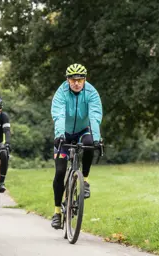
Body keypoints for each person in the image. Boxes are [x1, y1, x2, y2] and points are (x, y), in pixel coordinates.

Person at [50, 63, 103, 229]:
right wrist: (59, 136)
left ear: (85, 79)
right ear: (67, 80)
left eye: (80, 80)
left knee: (89, 144)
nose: (77, 83)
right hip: (64, 133)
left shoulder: (91, 92)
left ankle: (85, 181)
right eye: (73, 80)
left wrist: (97, 139)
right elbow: (58, 115)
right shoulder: (61, 93)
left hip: (83, 130)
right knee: (59, 172)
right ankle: (57, 212)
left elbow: (95, 116)